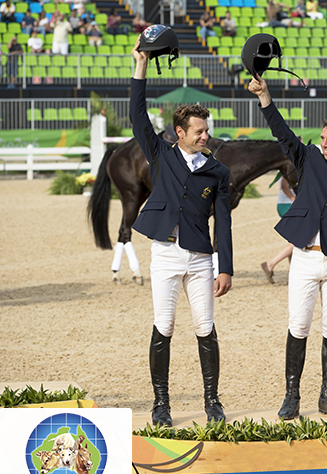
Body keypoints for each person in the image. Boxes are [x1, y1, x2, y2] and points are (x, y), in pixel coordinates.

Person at [248, 75, 327, 420]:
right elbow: (282, 133)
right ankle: (292, 396)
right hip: (304, 257)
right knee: (298, 326)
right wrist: (265, 97)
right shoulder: (309, 159)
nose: (324, 144)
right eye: (322, 139)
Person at [129, 38, 234, 426]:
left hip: (201, 257)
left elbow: (223, 221)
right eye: (198, 131)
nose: (205, 136)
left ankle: (212, 402)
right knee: (164, 325)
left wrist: (226, 267)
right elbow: (138, 114)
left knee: (205, 327)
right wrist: (141, 65)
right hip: (165, 253)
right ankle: (161, 404)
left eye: (206, 130)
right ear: (179, 132)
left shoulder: (218, 172)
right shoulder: (160, 154)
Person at [261, 172, 296, 284]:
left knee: (294, 240)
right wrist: (295, 200)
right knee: (298, 240)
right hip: (289, 204)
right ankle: (270, 264)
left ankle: (293, 274)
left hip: (287, 204)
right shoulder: (289, 167)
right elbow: (284, 185)